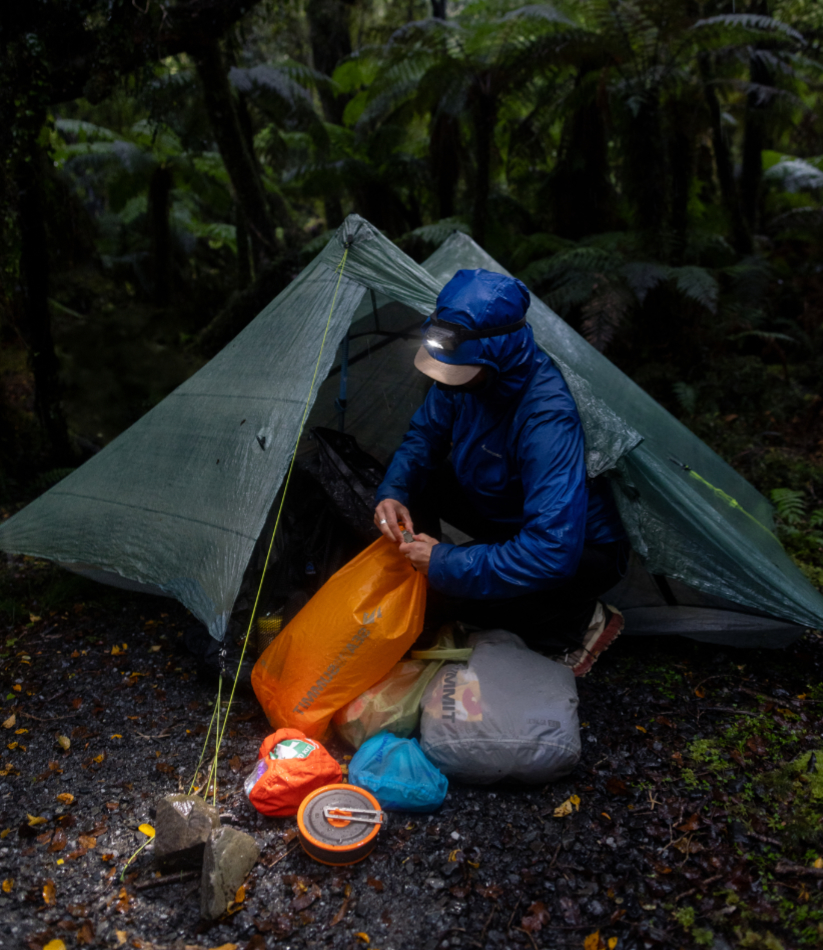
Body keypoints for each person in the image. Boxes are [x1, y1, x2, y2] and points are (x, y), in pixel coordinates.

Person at [373, 268, 628, 676]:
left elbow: (552, 550)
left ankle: (581, 620)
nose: (448, 383)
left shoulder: (547, 418)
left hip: (577, 548)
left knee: (483, 612)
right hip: (504, 507)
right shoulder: (462, 374)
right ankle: (427, 586)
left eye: (460, 375)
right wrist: (393, 491)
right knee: (422, 484)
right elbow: (425, 435)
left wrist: (445, 563)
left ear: (497, 354)